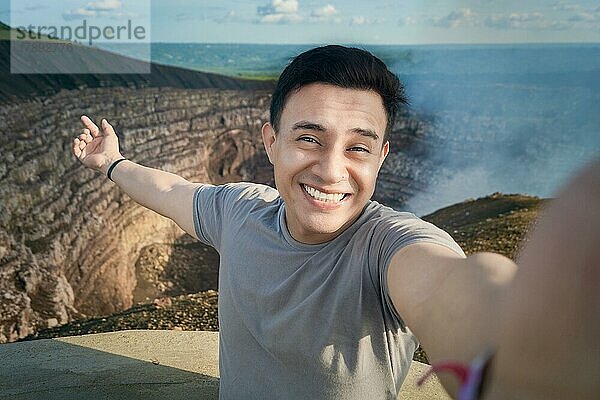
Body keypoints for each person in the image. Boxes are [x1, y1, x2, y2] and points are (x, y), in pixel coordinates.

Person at [71, 45, 599, 400]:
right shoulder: (239, 211)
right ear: (269, 141)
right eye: (308, 138)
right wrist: (112, 163)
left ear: (383, 157)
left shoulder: (387, 245)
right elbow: (172, 191)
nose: (331, 169)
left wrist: (524, 344)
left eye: (358, 148)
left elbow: (452, 285)